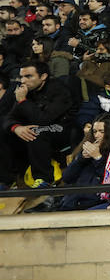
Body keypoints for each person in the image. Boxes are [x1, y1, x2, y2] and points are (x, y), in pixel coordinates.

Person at [0, 61, 74, 190]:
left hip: (60, 128)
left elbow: (44, 120)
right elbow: (9, 117)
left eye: (28, 76)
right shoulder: (25, 90)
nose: (23, 80)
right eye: (21, 77)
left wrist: (23, 101)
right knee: (5, 131)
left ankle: (44, 179)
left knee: (36, 131)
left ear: (43, 76)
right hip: (34, 127)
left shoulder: (59, 91)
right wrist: (16, 128)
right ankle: (7, 180)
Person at [56, 113, 110, 211]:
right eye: (94, 131)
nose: (97, 135)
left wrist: (98, 158)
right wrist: (81, 159)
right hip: (72, 202)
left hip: (96, 204)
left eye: (102, 131)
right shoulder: (88, 148)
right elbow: (67, 177)